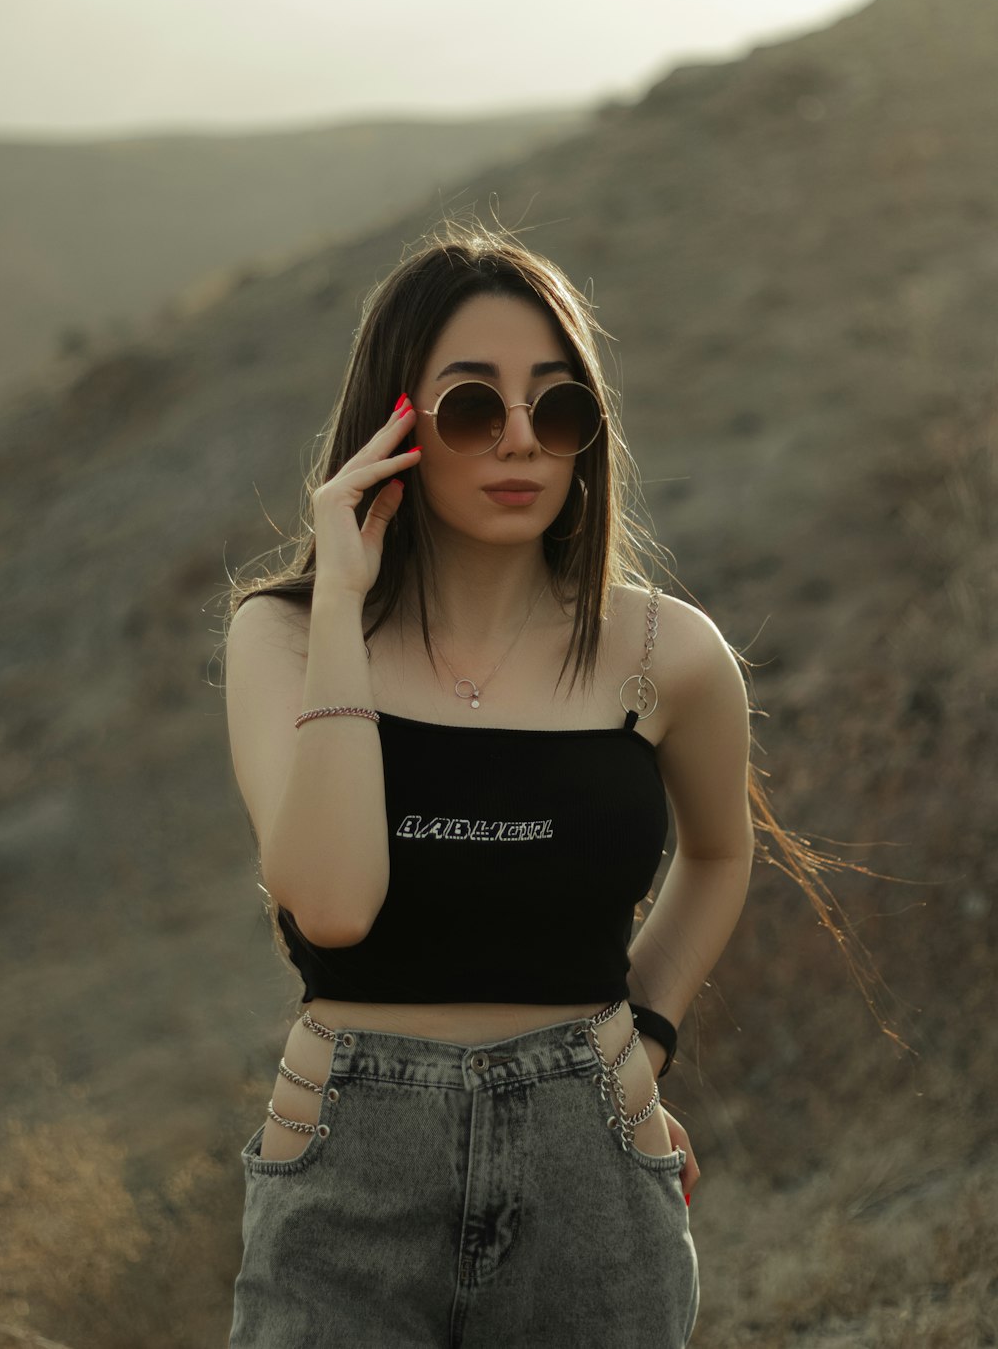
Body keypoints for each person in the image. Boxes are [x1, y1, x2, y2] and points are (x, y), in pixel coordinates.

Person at [221, 218, 758, 1348]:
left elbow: (718, 855)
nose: (520, 438)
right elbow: (331, 904)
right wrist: (339, 609)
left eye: (556, 406)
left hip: (593, 1168)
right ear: (396, 422)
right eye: (472, 405)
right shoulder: (280, 639)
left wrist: (639, 1048)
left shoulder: (671, 654)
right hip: (346, 1163)